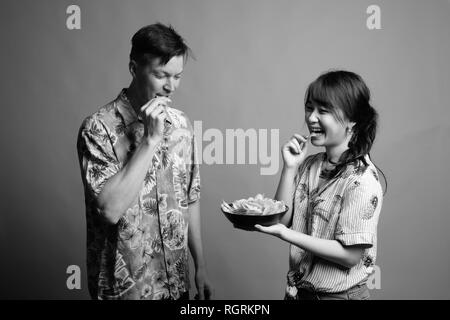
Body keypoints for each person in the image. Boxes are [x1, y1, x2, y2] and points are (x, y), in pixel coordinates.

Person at [77, 23, 213, 300]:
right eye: (161, 75)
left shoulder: (182, 125)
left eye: (177, 76)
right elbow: (110, 210)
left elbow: (191, 198)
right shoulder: (97, 128)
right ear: (133, 68)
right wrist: (150, 140)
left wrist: (201, 266)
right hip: (125, 290)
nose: (170, 87)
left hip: (176, 286)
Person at [255, 70, 383, 300]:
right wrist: (290, 167)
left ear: (352, 121)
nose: (311, 118)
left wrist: (287, 234)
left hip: (339, 297)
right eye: (309, 107)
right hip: (298, 293)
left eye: (323, 111)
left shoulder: (362, 180)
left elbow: (350, 255)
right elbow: (280, 219)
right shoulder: (310, 165)